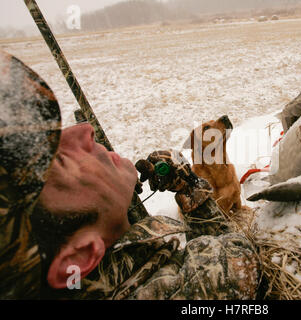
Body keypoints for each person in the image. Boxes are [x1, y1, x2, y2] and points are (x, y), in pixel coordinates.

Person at [0, 51, 261, 300]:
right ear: (80, 255)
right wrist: (193, 189)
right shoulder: (188, 289)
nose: (84, 130)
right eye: (59, 158)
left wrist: (128, 216)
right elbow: (234, 255)